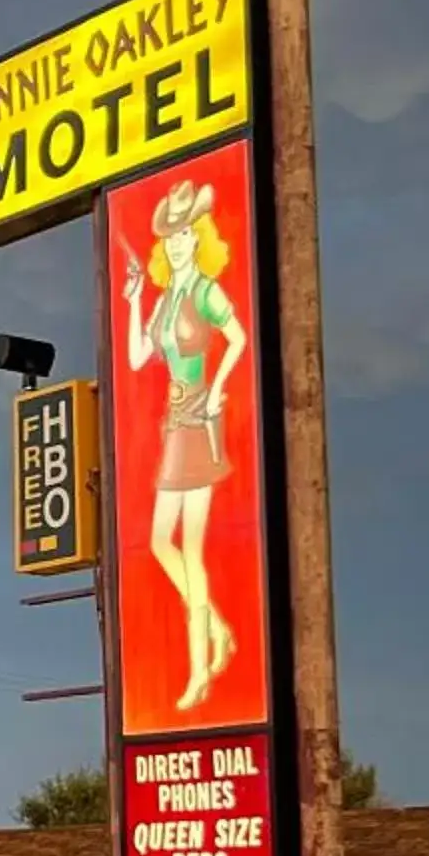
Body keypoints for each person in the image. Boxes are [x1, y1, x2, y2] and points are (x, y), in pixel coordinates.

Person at [121, 176, 250, 714]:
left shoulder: (202, 290)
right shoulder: (167, 297)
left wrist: (218, 390)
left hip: (199, 420)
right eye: (168, 239)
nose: (175, 245)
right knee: (157, 542)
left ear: (197, 238)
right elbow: (135, 358)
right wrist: (132, 302)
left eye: (183, 235)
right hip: (174, 424)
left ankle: (200, 673)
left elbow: (240, 336)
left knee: (192, 548)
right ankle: (218, 627)